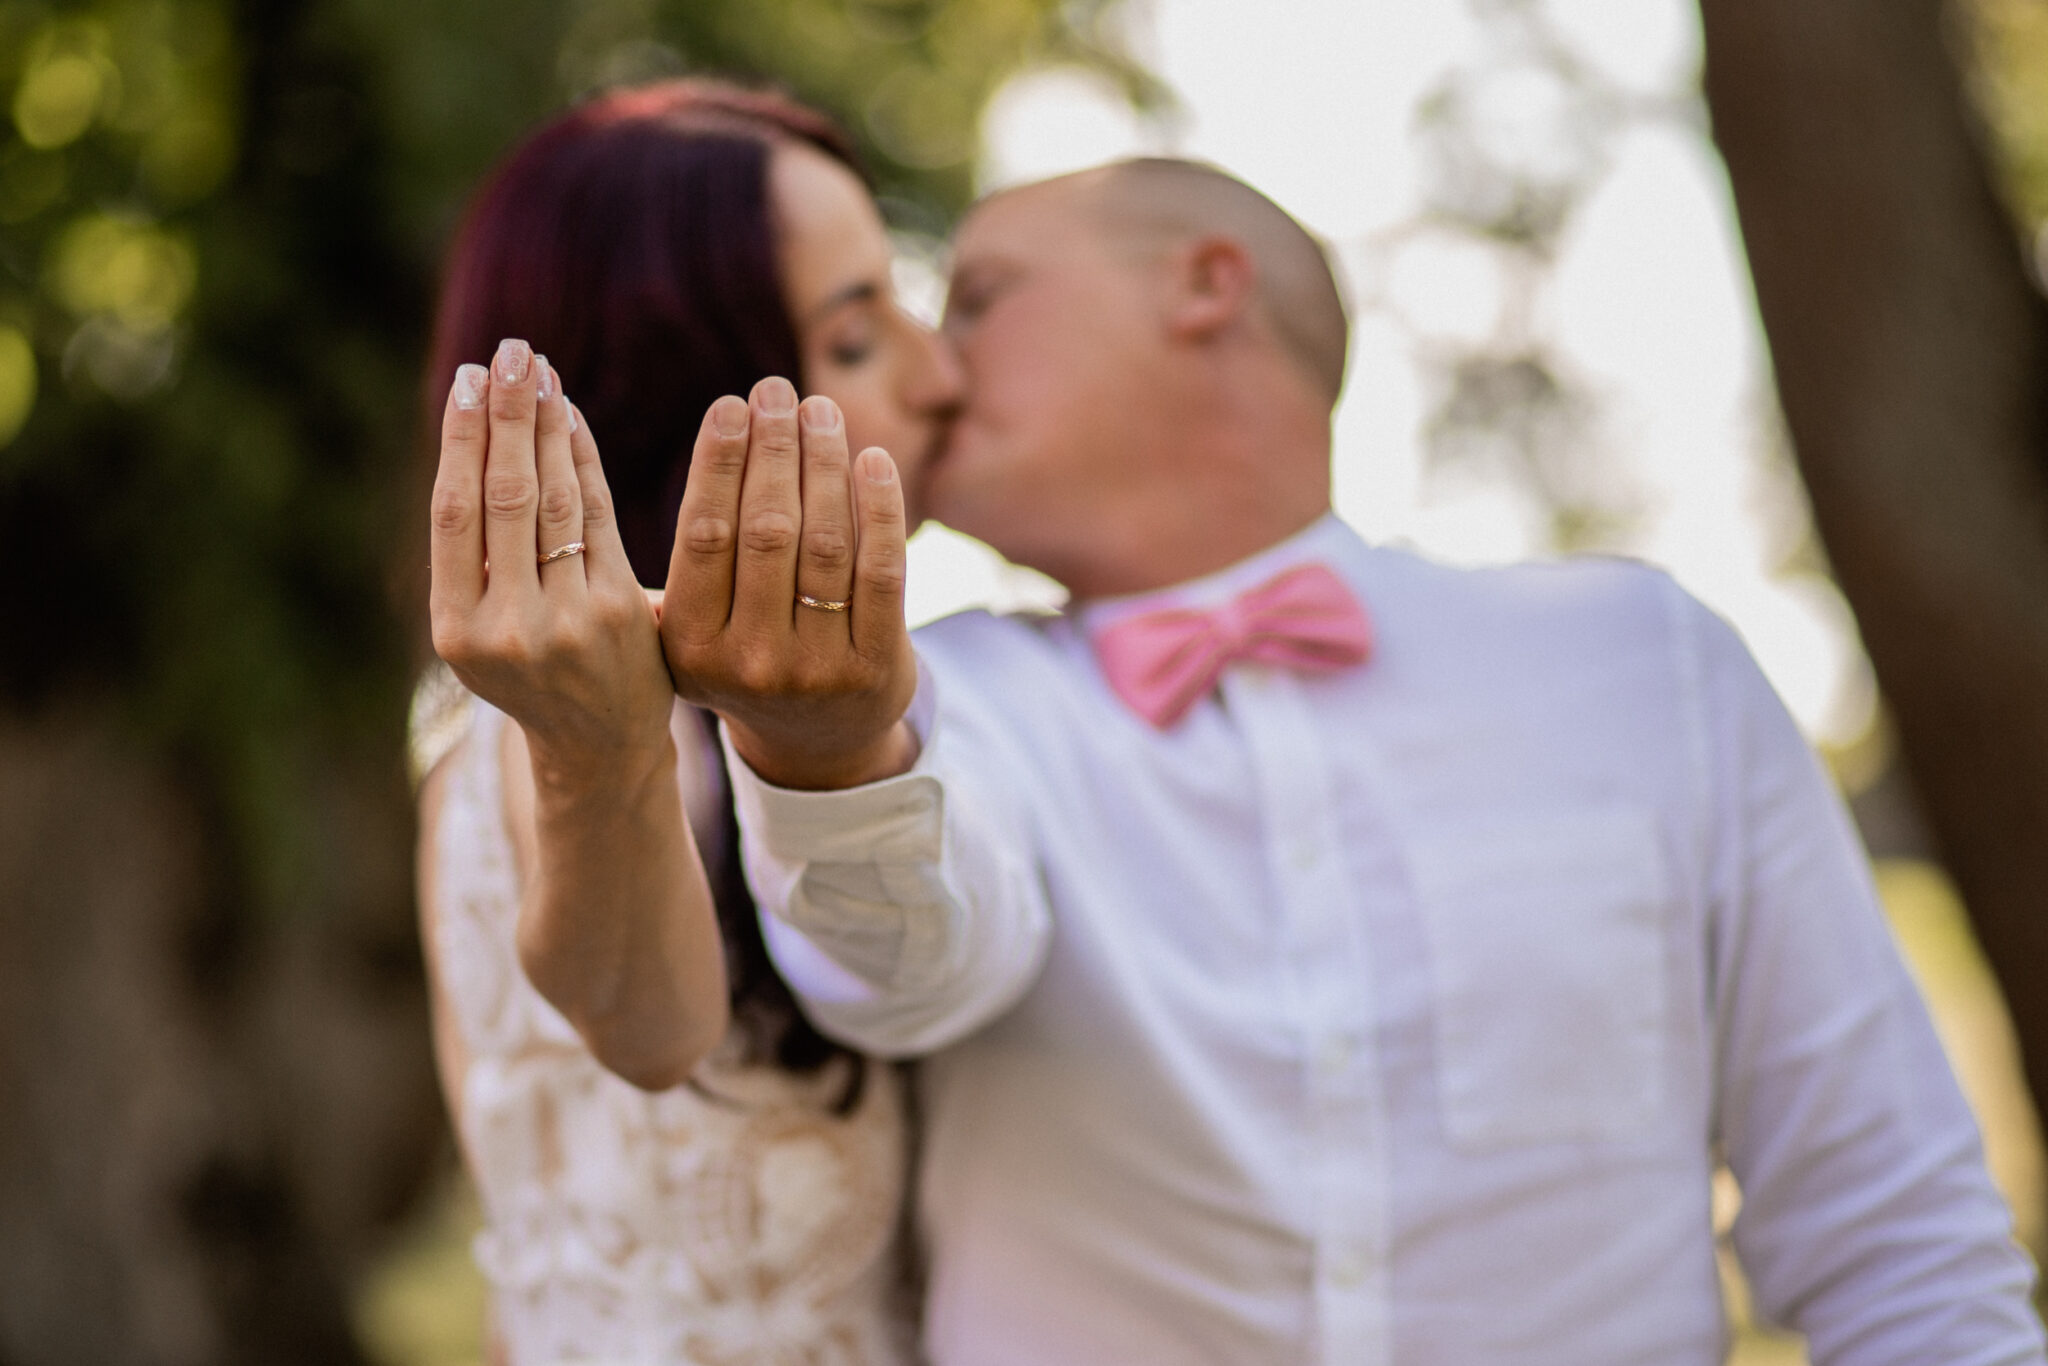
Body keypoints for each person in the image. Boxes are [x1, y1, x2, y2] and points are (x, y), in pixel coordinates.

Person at [651, 158, 2048, 1362]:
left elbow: (1898, 1233)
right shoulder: (946, 698)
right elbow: (900, 968)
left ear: (1204, 285)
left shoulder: (1646, 667)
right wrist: (828, 756)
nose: (934, 371)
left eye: (982, 298)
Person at [412, 79, 959, 1363]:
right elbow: (646, 1024)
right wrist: (595, 750)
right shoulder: (556, 740)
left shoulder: (839, 716)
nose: (941, 378)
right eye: (857, 338)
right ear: (693, 405)